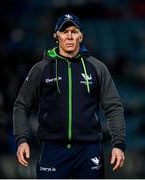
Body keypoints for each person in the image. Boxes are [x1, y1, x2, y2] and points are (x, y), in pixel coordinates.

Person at [13, 13, 126, 179]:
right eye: (64, 32)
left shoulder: (97, 68)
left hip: (89, 151)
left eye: (74, 31)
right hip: (53, 150)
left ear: (81, 36)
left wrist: (118, 144)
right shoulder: (41, 69)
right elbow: (21, 106)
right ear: (56, 36)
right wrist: (22, 139)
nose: (70, 36)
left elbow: (114, 106)